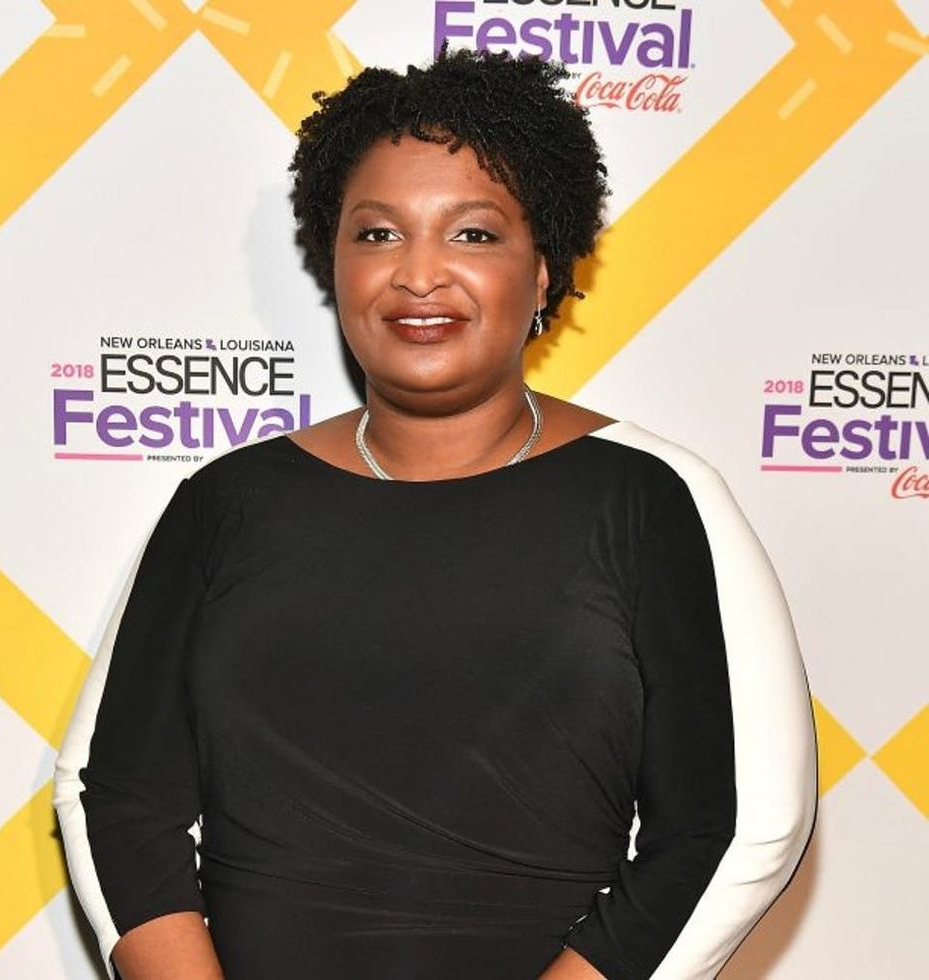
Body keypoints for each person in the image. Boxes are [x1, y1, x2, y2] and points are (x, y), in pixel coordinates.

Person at [53, 48, 817, 980]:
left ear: (544, 272)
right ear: (333, 264)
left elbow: (738, 825)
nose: (419, 275)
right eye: (378, 234)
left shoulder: (655, 498)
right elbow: (117, 798)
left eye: (474, 234)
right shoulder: (225, 502)